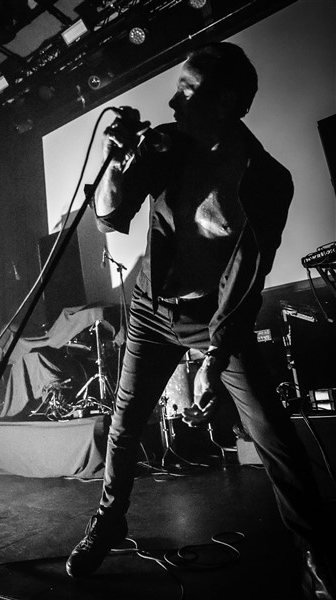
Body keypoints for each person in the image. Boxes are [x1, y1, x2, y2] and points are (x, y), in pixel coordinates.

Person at [65, 42, 336, 598]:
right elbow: (111, 216)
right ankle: (108, 524)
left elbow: (248, 272)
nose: (173, 101)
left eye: (187, 90)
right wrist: (116, 158)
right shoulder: (166, 145)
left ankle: (318, 553)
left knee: (271, 430)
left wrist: (216, 353)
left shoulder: (267, 179)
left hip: (215, 314)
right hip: (151, 309)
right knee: (124, 422)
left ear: (226, 101)